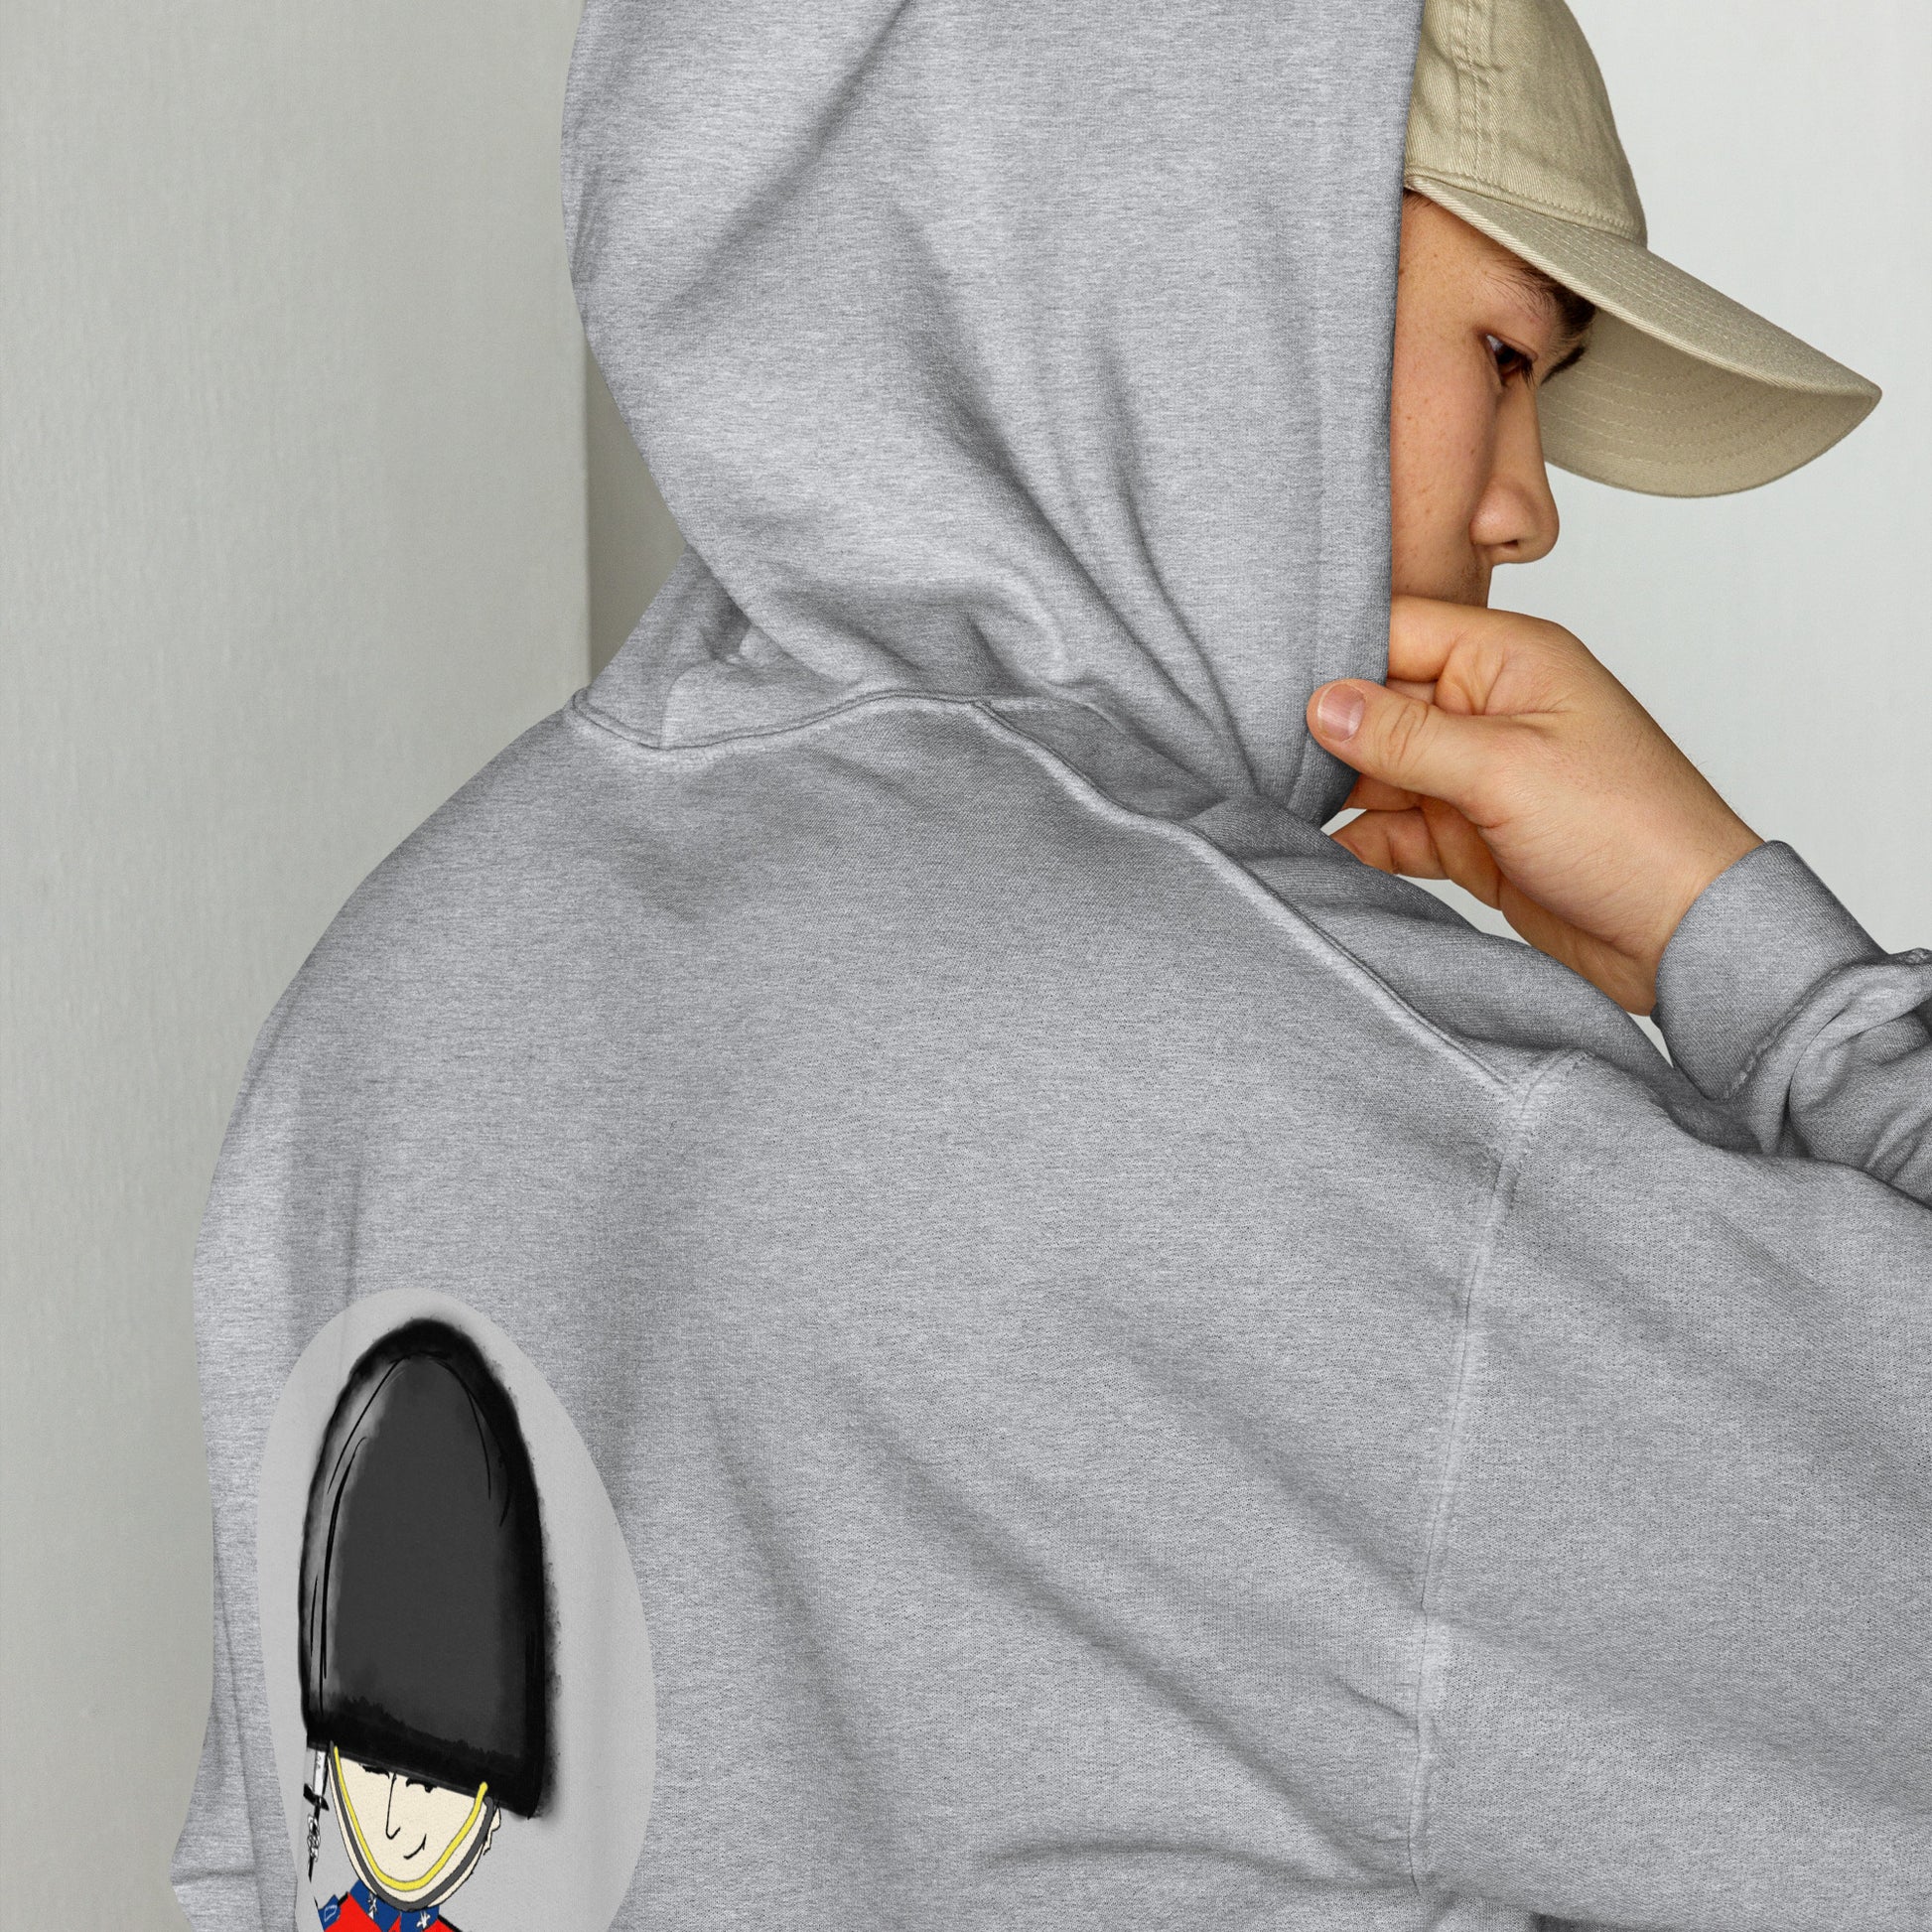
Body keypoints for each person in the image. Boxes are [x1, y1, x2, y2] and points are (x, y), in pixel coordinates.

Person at [174, 2, 1929, 1930]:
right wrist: (1744, 948)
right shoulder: (1335, 1105)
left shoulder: (386, 1009)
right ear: (1181, 252)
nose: (1529, 503)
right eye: (1503, 356)